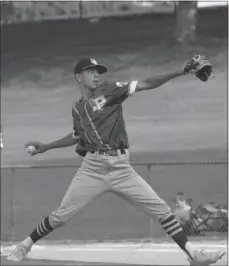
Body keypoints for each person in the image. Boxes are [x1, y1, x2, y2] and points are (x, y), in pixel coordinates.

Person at [7, 58, 225, 265]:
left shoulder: (111, 89)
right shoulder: (77, 109)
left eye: (98, 71)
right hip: (92, 169)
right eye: (90, 71)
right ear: (78, 77)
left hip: (122, 169)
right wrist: (46, 146)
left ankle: (193, 255)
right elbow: (76, 136)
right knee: (61, 216)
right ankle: (25, 245)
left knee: (161, 210)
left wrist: (181, 71)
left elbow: (147, 83)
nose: (96, 75)